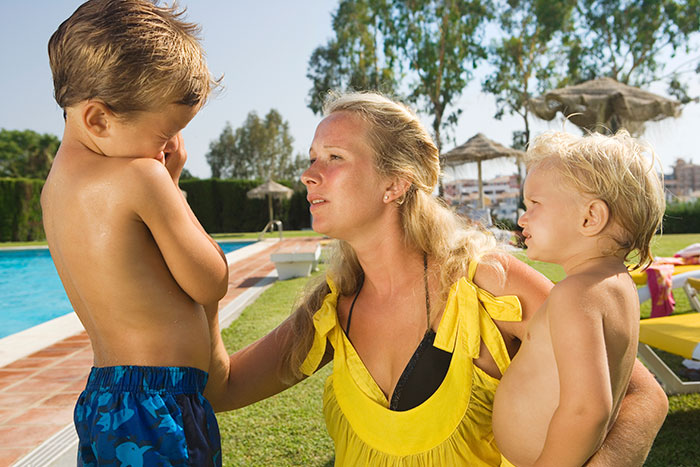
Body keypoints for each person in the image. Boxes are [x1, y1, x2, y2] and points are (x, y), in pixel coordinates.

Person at [203, 91, 668, 466]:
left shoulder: (485, 283)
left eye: (334, 157)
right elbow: (221, 389)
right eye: (311, 158)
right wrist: (199, 284)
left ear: (396, 184)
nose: (308, 175)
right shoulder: (330, 310)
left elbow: (642, 394)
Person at [42, 1, 228, 465]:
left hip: (105, 401)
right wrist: (171, 184)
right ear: (99, 120)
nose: (168, 148)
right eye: (165, 133)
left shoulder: (54, 192)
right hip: (159, 403)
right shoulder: (142, 178)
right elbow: (210, 280)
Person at [492, 131, 666, 467]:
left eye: (534, 205)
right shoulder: (615, 286)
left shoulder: (576, 295)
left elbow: (588, 410)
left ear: (590, 218)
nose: (521, 218)